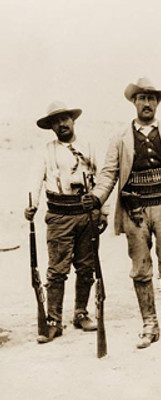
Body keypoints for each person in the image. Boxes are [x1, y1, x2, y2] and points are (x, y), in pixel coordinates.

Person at [86, 77, 161, 348]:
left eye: (151, 98)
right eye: (141, 98)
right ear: (134, 102)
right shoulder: (121, 137)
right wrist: (96, 197)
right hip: (134, 210)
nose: (146, 103)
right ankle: (149, 324)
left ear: (158, 103)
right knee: (140, 267)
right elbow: (108, 173)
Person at [24, 101, 108, 343]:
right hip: (59, 215)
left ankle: (81, 312)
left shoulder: (89, 147)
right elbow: (35, 178)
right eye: (56, 121)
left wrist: (104, 211)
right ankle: (53, 320)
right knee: (57, 270)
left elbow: (103, 179)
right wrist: (32, 204)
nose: (61, 124)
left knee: (86, 267)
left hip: (87, 213)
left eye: (65, 119)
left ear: (73, 120)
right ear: (51, 126)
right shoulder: (46, 151)